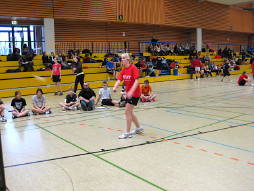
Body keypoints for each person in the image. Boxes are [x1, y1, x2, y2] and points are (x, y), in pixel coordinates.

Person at [113, 53, 143, 139]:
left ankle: (127, 133)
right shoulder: (123, 69)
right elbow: (119, 79)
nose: (121, 60)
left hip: (135, 93)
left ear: (128, 59)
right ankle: (138, 128)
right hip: (129, 94)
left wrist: (131, 92)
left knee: (127, 112)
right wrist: (115, 86)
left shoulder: (133, 68)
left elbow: (137, 81)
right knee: (130, 112)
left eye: (123, 58)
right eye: (121, 58)